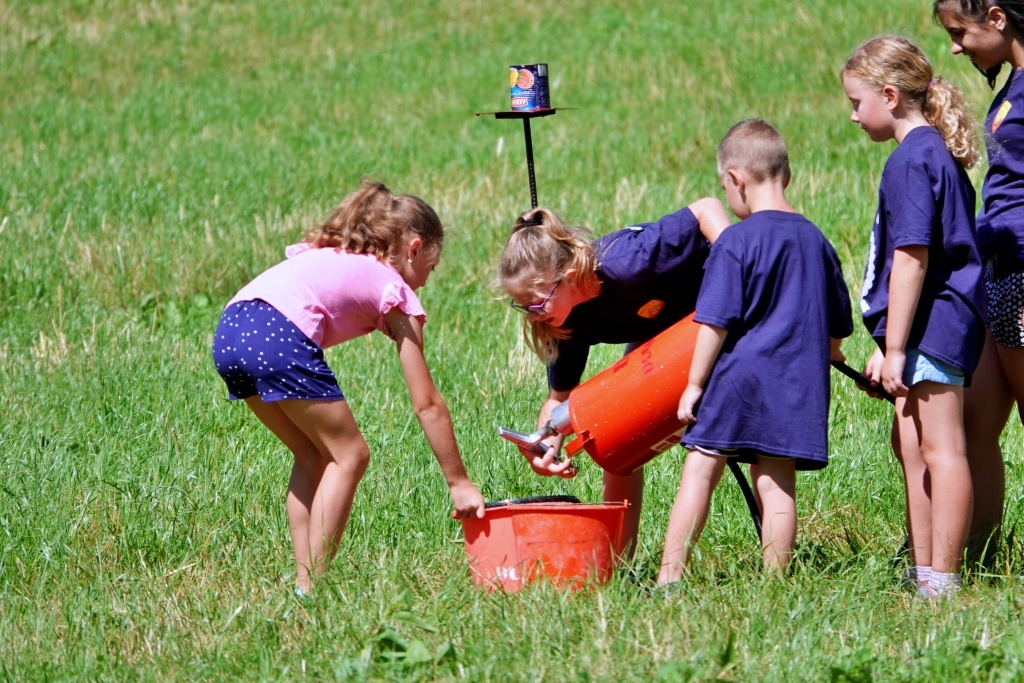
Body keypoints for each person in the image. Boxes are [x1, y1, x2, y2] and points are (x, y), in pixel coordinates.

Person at [212, 180, 485, 595]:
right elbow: (426, 403)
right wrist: (458, 482)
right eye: (431, 266)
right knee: (350, 455)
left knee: (312, 454)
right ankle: (313, 587)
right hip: (277, 337)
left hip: (230, 331)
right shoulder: (394, 289)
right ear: (413, 248)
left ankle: (303, 587)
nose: (427, 280)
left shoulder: (333, 254)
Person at [657, 120, 853, 585]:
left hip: (736, 383)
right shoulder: (816, 240)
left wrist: (694, 385)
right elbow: (836, 321)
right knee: (778, 481)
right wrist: (831, 351)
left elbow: (714, 321)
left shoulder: (736, 241)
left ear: (736, 180)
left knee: (701, 471)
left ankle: (669, 579)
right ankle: (774, 583)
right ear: (786, 175)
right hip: (797, 384)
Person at [497, 197, 731, 558]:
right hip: (660, 328)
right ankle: (621, 564)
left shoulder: (631, 261)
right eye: (522, 306)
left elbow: (706, 209)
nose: (532, 316)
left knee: (713, 436)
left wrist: (739, 268)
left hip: (715, 309)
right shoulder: (567, 320)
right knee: (617, 436)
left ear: (570, 278)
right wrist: (545, 444)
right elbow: (560, 397)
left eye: (537, 303)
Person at [841, 36, 986, 596]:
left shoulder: (912, 159)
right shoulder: (929, 154)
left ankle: (943, 579)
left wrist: (895, 346)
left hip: (937, 326)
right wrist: (888, 344)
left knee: (942, 448)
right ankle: (924, 570)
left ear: (890, 94)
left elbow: (912, 257)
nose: (854, 116)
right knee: (914, 447)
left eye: (857, 102)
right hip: (923, 326)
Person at [934, 0, 1024, 563]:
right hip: (997, 270)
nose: (954, 47)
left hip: (1022, 272)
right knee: (974, 423)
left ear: (996, 16)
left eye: (959, 32)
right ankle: (981, 553)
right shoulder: (1014, 86)